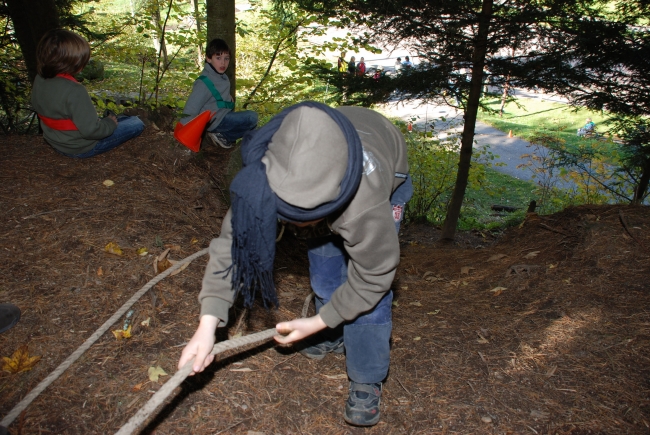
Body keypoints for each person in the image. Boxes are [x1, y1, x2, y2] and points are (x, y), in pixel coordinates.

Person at [178, 101, 413, 427]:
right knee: (325, 268)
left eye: (299, 219)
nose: (290, 226)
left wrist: (316, 322)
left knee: (370, 302)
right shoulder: (266, 171)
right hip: (322, 167)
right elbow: (234, 245)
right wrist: (207, 326)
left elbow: (374, 276)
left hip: (385, 164)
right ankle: (332, 334)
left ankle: (366, 375)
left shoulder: (364, 205)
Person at [31, 29, 144, 158]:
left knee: (121, 119)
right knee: (136, 122)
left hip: (57, 140)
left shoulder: (40, 79)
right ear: (74, 62)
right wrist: (109, 124)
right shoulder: (74, 90)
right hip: (80, 147)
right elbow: (91, 131)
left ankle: (111, 121)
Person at [180, 38, 258, 149]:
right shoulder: (204, 82)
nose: (223, 63)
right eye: (218, 58)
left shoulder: (221, 77)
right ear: (208, 58)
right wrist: (184, 131)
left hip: (221, 117)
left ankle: (223, 136)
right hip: (215, 122)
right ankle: (222, 135)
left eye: (226, 59)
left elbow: (216, 99)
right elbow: (191, 108)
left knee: (252, 124)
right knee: (252, 118)